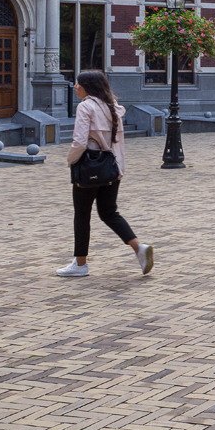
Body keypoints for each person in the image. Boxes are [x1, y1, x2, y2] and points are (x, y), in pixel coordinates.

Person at [57, 70, 153, 278]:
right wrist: (119, 169)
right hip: (111, 167)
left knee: (82, 215)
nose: (75, 87)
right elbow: (118, 142)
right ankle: (139, 248)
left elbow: (80, 142)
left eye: (78, 83)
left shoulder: (86, 106)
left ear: (87, 87)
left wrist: (71, 160)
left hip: (89, 167)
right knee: (109, 212)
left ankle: (80, 264)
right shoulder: (113, 108)